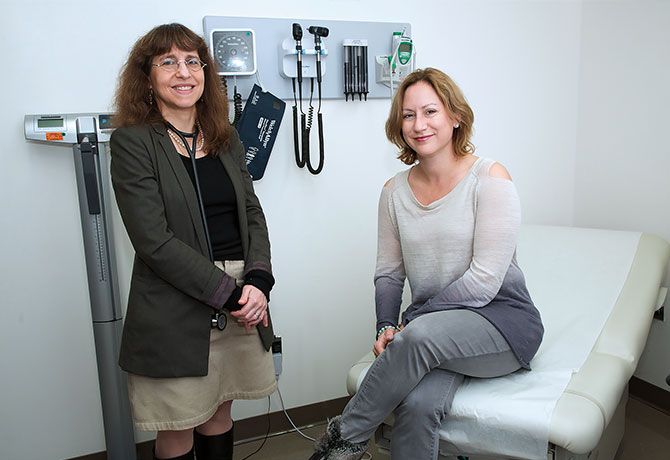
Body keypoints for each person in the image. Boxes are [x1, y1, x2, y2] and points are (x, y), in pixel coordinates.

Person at [308, 68, 544, 460]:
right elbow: (388, 273)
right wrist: (387, 325)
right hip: (434, 333)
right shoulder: (393, 192)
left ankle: (340, 445)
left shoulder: (490, 177)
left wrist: (410, 325)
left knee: (418, 339)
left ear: (455, 116)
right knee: (416, 406)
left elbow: (485, 282)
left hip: (503, 325)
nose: (420, 124)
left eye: (431, 111)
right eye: (408, 115)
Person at [110, 23, 276, 460]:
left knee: (220, 414)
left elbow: (252, 213)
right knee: (177, 428)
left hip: (243, 294)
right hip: (177, 300)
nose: (183, 72)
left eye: (192, 61)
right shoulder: (132, 143)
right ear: (147, 78)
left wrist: (258, 280)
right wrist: (232, 294)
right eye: (168, 62)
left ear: (205, 73)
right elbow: (153, 241)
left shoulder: (226, 137)